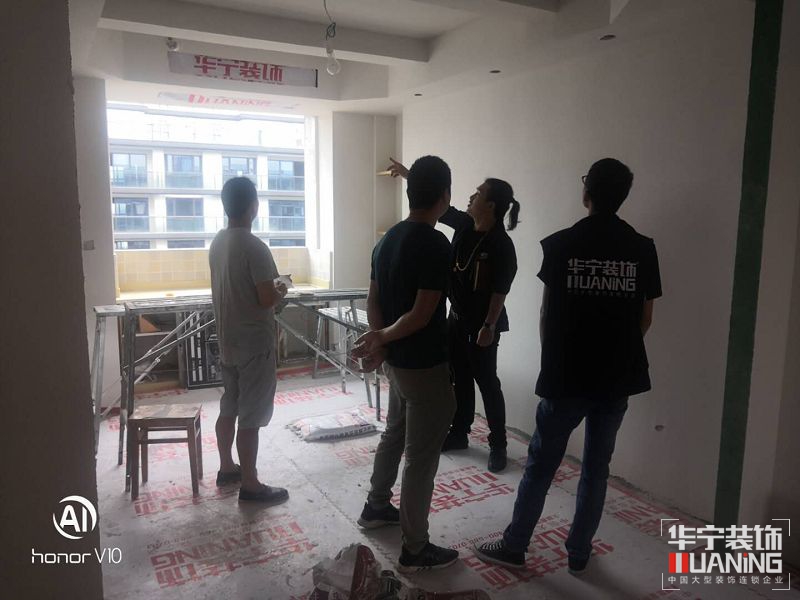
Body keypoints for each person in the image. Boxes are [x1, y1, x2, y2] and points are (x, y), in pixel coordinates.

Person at [474, 158, 662, 574]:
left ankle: (515, 546)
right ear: (623, 196)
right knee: (597, 469)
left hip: (567, 376)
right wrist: (616, 354)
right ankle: (579, 553)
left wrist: (557, 361)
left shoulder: (561, 245)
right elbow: (645, 318)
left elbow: (547, 314)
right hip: (617, 379)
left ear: (586, 192)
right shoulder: (642, 249)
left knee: (541, 465)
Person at [352, 156, 459, 573]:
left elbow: (373, 299)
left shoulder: (388, 239)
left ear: (410, 191)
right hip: (424, 365)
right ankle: (415, 549)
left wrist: (381, 342)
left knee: (394, 433)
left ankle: (377, 505)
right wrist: (381, 339)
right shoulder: (435, 244)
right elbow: (421, 314)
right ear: (444, 196)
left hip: (396, 364)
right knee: (420, 457)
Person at [386, 158, 520, 473]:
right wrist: (410, 175)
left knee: (487, 383)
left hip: (483, 325)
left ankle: (498, 444)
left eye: (478, 193)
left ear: (491, 205)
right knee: (459, 378)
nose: (471, 196)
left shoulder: (501, 244)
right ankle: (459, 433)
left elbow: (500, 291)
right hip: (456, 319)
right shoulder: (464, 226)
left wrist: (489, 326)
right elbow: (437, 202)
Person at [209, 177, 289, 504]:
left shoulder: (218, 242)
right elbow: (266, 298)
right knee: (251, 417)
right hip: (254, 345)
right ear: (254, 206)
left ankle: (227, 467)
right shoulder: (255, 247)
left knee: (229, 405)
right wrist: (282, 287)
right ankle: (251, 484)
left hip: (228, 340)